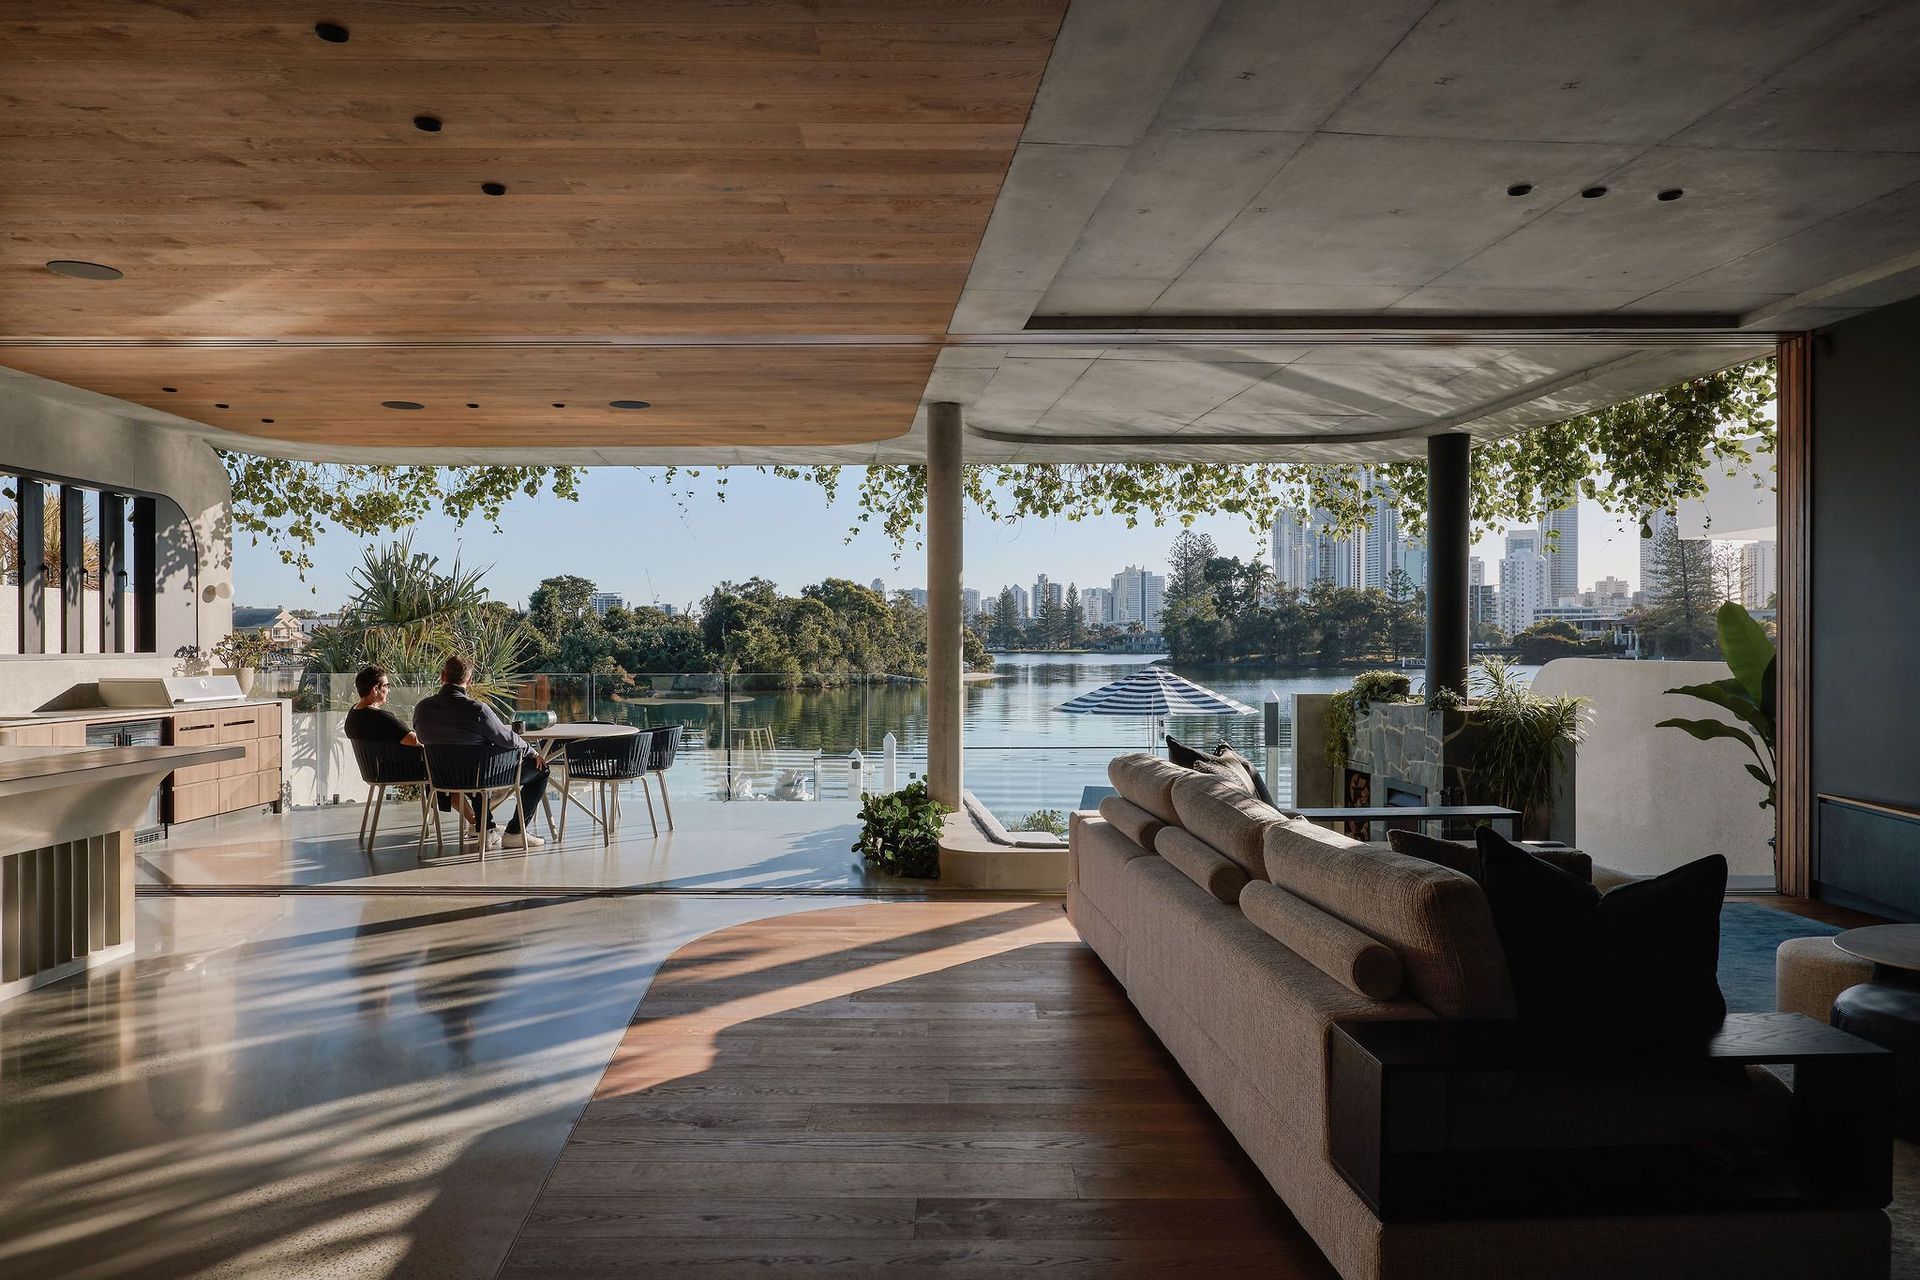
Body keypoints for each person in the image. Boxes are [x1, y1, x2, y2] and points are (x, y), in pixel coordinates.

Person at [412, 655, 549, 850]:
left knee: (471, 765)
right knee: (541, 770)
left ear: (442, 676)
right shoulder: (476, 709)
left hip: (441, 777)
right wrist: (532, 752)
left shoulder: (422, 708)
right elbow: (507, 738)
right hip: (476, 777)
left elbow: (421, 736)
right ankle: (516, 832)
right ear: (469, 680)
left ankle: (487, 828)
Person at [343, 665, 419, 746]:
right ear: (375, 689)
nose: (388, 690)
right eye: (386, 686)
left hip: (371, 759)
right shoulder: (381, 718)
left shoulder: (353, 714)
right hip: (393, 759)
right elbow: (414, 740)